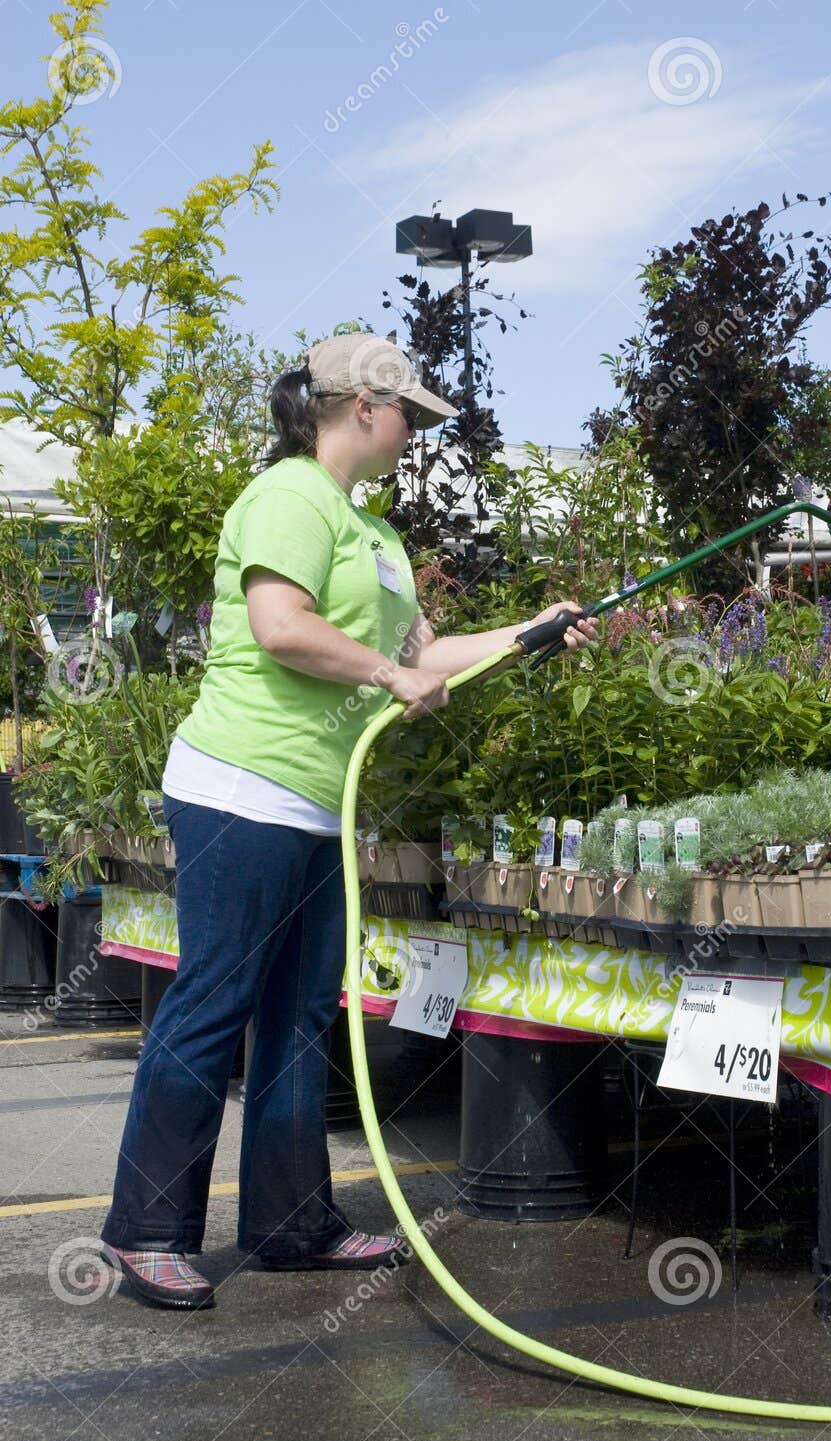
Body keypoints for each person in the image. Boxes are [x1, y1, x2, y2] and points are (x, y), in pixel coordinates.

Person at [99, 331, 597, 1311]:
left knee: (298, 1018)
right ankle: (146, 1231)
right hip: (240, 787)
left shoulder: (373, 535)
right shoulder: (287, 496)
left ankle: (291, 1225)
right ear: (363, 405)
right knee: (212, 1005)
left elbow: (430, 650)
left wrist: (532, 632)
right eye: (409, 412)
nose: (416, 431)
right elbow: (283, 627)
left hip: (319, 807)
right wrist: (386, 674)